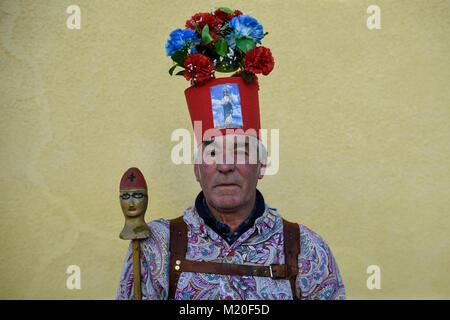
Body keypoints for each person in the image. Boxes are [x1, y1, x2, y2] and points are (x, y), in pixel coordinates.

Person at [117, 9, 345, 299]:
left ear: (262, 166)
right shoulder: (153, 247)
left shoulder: (308, 250)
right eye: (212, 152)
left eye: (241, 150)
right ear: (197, 169)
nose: (225, 165)